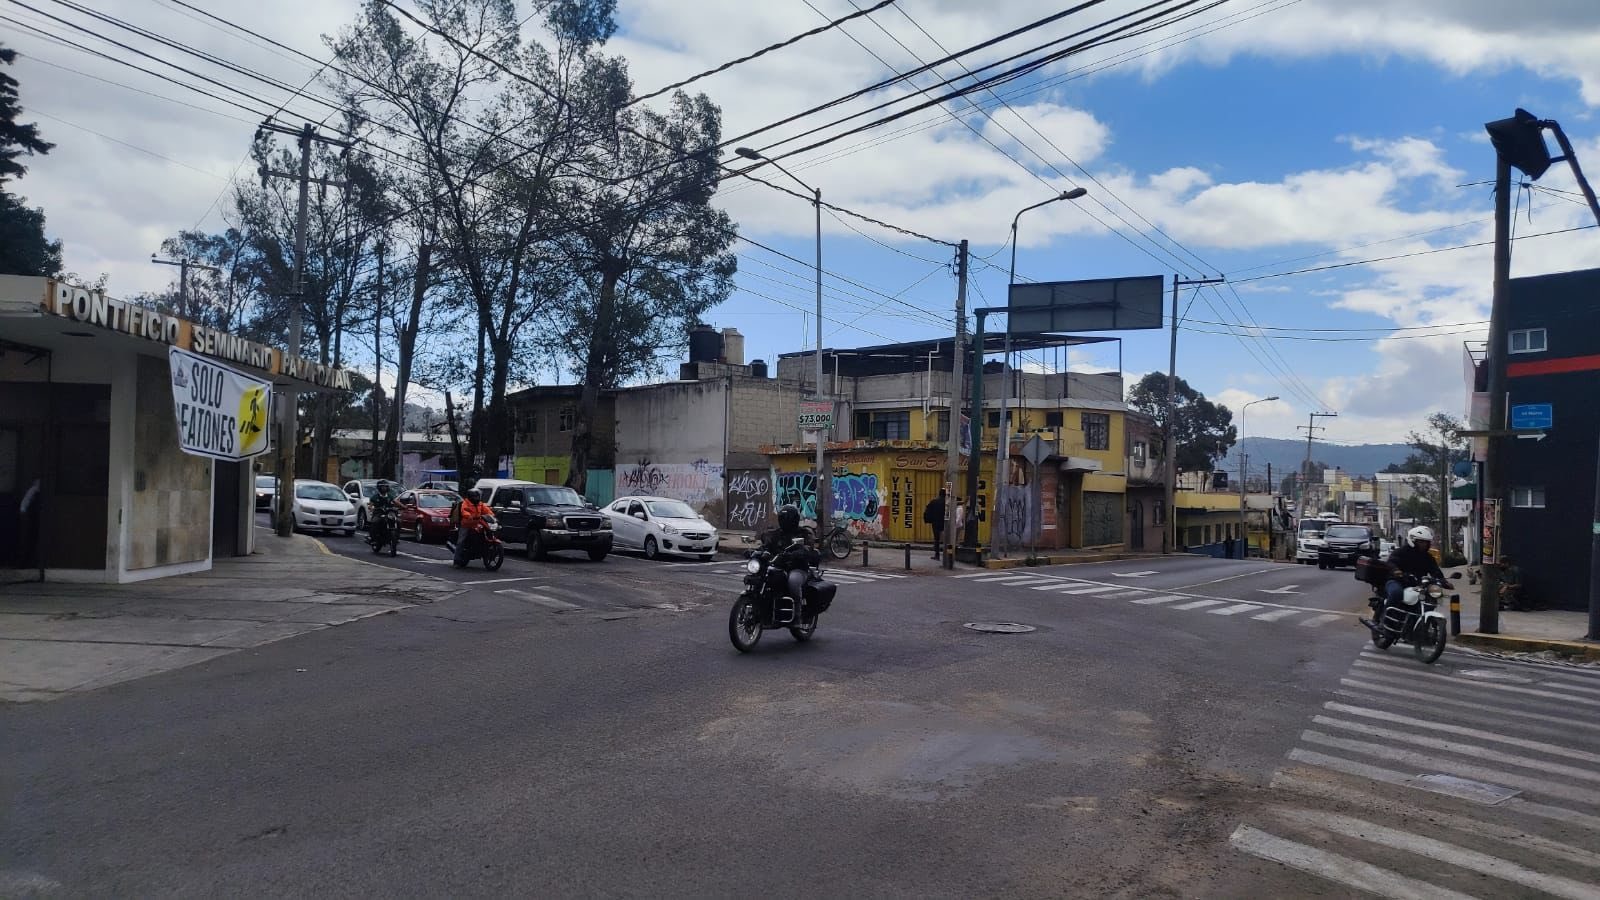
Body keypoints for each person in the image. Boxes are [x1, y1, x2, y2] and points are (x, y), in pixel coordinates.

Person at [1375, 525, 1446, 623]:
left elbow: (1435, 570)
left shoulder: (1428, 557)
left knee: (1431, 596)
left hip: (1417, 584)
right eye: (1421, 542)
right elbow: (1391, 562)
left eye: (1426, 542)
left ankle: (1417, 621)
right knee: (1396, 593)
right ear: (1413, 541)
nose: (1424, 545)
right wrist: (1396, 570)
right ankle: (1386, 620)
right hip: (1398, 581)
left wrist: (1443, 581)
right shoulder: (1401, 552)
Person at [452, 487, 495, 565]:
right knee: (461, 541)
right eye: (475, 497)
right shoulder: (465, 503)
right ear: (471, 497)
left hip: (477, 523)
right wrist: (468, 516)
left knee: (487, 531)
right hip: (466, 524)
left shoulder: (480, 504)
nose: (477, 498)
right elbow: (463, 511)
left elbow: (487, 510)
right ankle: (456, 560)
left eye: (478, 496)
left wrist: (492, 515)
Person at [922, 490, 947, 559]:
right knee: (947, 539)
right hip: (945, 522)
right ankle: (947, 554)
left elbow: (927, 510)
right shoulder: (947, 502)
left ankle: (937, 555)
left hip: (935, 522)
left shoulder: (934, 501)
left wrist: (928, 520)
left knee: (936, 539)